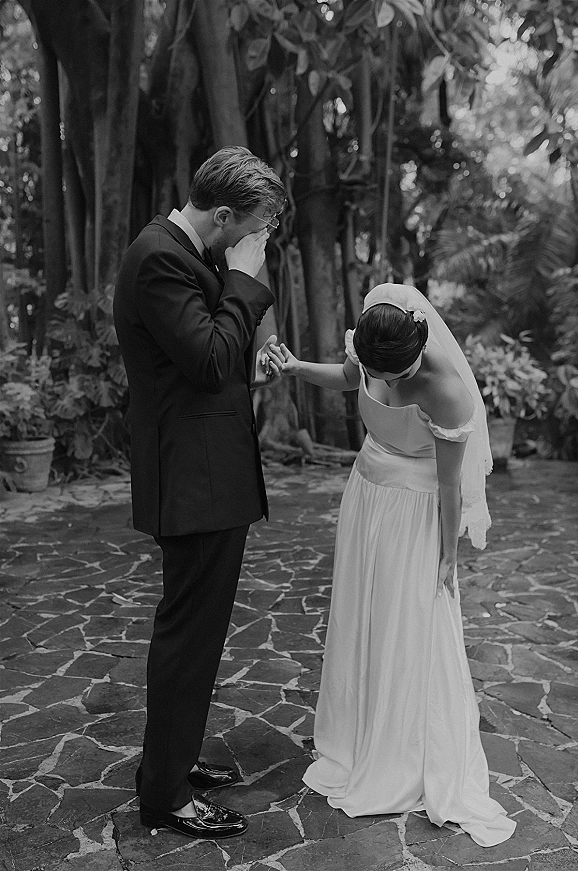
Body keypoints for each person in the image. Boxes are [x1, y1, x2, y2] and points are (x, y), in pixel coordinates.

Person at [265, 283, 516, 847]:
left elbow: (450, 486)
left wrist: (448, 554)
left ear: (420, 349)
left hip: (413, 512)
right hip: (368, 495)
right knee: (362, 615)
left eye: (401, 376)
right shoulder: (376, 340)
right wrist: (296, 367)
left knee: (410, 624)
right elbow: (350, 377)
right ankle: (355, 733)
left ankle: (402, 745)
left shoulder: (449, 391)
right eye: (385, 373)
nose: (393, 385)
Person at [113, 147, 285, 840]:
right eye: (254, 230)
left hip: (206, 473)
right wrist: (244, 282)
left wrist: (254, 349)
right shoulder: (160, 257)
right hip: (194, 480)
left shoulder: (190, 254)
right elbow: (210, 358)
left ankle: (171, 762)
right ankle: (165, 794)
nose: (259, 243)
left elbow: (213, 352)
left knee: (198, 633)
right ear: (221, 215)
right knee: (188, 635)